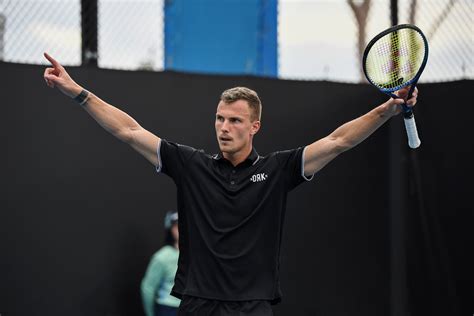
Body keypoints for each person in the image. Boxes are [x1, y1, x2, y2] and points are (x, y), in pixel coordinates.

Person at [43, 52, 418, 316]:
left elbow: (339, 141)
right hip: (195, 303)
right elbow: (129, 130)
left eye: (235, 121)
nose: (224, 127)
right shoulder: (190, 164)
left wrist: (386, 110)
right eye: (220, 119)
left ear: (254, 127)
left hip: (250, 307)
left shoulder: (277, 170)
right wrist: (78, 92)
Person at [141, 211, 180, 316]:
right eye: (177, 227)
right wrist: (150, 314)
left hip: (193, 308)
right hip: (169, 309)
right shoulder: (162, 257)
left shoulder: (197, 254)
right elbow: (148, 288)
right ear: (170, 230)